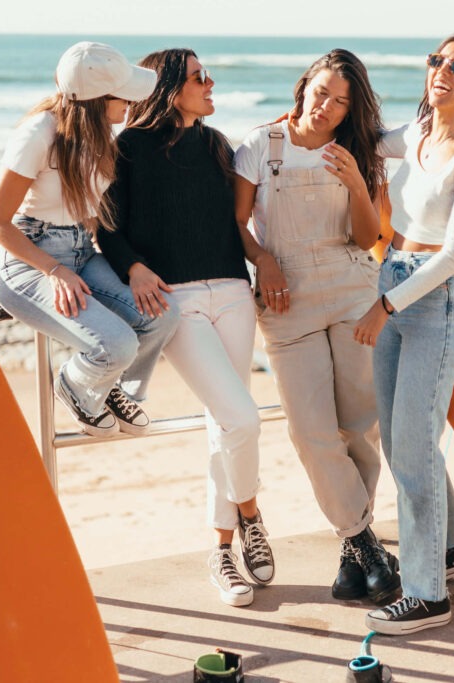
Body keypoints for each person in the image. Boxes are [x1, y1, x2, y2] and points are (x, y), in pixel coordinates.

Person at [97, 49, 275, 608]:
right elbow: (106, 227)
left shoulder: (218, 145)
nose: (211, 82)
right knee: (241, 417)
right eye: (200, 77)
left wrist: (264, 262)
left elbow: (237, 219)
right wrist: (133, 266)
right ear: (170, 87)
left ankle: (221, 551)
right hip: (175, 303)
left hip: (233, 293)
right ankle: (249, 510)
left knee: (226, 423)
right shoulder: (126, 149)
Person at [353, 33, 454, 635]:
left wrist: (385, 307)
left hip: (432, 302)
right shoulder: (415, 135)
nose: (441, 71)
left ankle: (426, 595)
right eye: (436, 60)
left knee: (415, 452)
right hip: (391, 279)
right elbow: (359, 137)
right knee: (399, 445)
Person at [233, 49, 399, 604]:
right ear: (304, 86)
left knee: (359, 426)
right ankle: (363, 540)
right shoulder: (260, 146)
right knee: (311, 431)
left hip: (353, 290)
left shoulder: (355, 152)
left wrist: (356, 185)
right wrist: (265, 260)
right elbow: (236, 224)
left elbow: (365, 237)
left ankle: (356, 554)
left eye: (341, 102)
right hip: (287, 300)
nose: (327, 107)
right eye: (322, 92)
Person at [0, 42, 178, 438]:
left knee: (162, 313)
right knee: (118, 344)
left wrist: (131, 267)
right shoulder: (39, 133)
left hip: (81, 249)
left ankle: (106, 390)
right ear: (98, 99)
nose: (131, 102)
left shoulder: (100, 134)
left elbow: (90, 215)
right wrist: (53, 270)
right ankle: (74, 385)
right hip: (28, 262)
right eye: (123, 94)